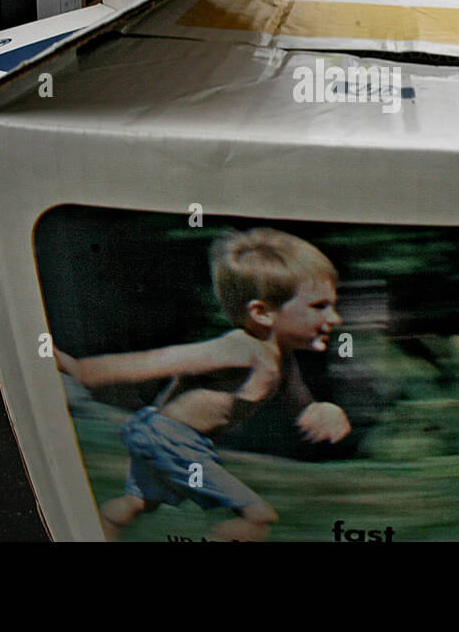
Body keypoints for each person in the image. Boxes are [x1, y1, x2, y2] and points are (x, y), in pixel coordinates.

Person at [55, 228, 350, 542]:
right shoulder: (241, 349)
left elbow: (303, 404)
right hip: (169, 437)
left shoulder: (284, 362)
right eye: (320, 306)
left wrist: (325, 411)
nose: (335, 318)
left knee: (136, 503)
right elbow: (158, 361)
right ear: (262, 313)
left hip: (174, 438)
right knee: (257, 515)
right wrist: (80, 370)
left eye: (333, 305)